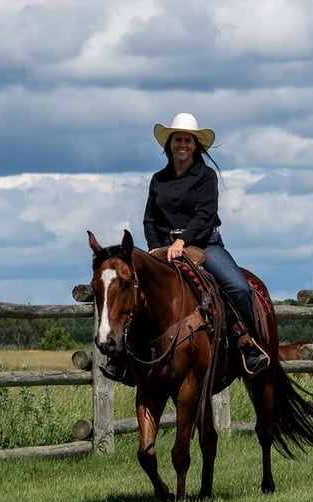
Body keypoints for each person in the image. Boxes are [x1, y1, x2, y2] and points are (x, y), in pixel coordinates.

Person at [100, 112, 269, 382]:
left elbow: (205, 215)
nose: (183, 145)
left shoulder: (206, 176)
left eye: (188, 141)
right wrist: (155, 247)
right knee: (133, 290)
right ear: (170, 144)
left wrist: (182, 241)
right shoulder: (158, 179)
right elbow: (149, 219)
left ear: (195, 145)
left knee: (237, 287)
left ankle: (250, 346)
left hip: (205, 244)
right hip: (164, 249)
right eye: (178, 139)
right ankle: (120, 357)